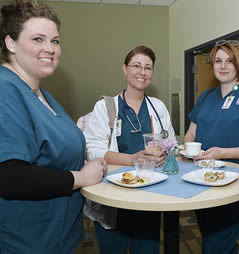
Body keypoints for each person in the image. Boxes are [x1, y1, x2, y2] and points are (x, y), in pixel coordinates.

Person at [0, 1, 107, 253]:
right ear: (11, 43)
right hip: (27, 241)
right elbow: (9, 176)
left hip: (58, 237)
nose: (50, 49)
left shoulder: (40, 93)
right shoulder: (5, 90)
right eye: (38, 39)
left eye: (55, 41)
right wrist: (81, 177)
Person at [83, 45, 175, 254]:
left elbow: (170, 143)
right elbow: (91, 149)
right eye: (137, 66)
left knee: (147, 249)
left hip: (150, 193)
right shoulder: (106, 107)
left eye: (148, 68)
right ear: (125, 69)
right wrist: (131, 158)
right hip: (113, 194)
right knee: (113, 248)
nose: (142, 72)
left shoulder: (157, 107)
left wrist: (164, 153)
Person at [183, 40, 239, 254]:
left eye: (229, 61)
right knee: (215, 240)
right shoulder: (205, 97)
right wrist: (188, 149)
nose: (223, 66)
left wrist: (223, 153)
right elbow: (191, 133)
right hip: (203, 180)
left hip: (238, 182)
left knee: (215, 246)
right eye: (218, 61)